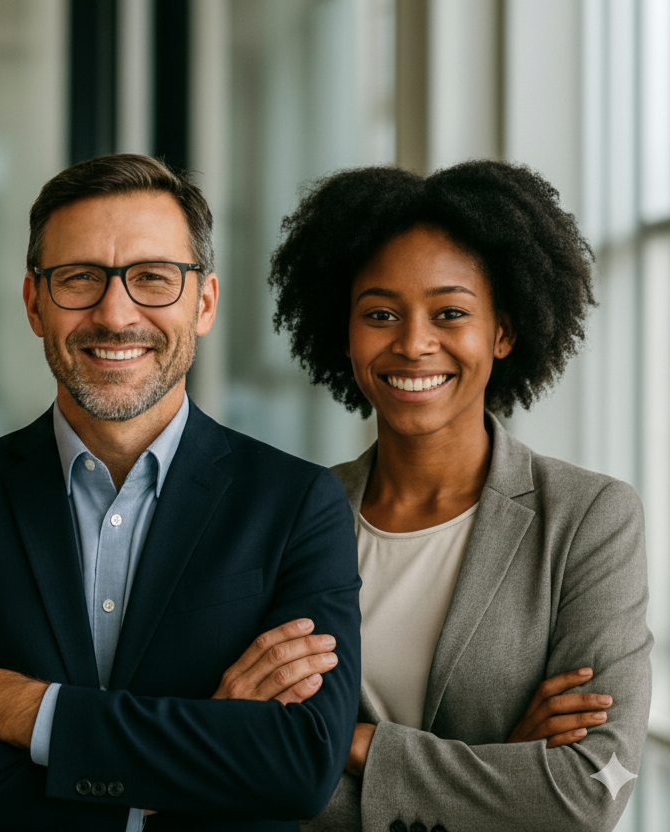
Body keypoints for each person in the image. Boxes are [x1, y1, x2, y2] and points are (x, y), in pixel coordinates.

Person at [0, 153, 362, 831]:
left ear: (205, 301)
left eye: (153, 279)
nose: (114, 313)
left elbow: (301, 766)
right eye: (79, 280)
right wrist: (202, 750)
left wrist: (39, 714)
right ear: (34, 303)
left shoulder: (297, 505)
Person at [267, 160, 652, 832]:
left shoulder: (589, 519)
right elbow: (255, 765)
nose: (414, 343)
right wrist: (499, 765)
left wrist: (360, 746)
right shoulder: (287, 516)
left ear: (503, 332)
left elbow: (590, 789)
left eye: (450, 312)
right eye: (380, 313)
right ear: (346, 332)